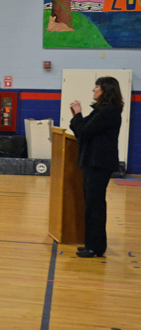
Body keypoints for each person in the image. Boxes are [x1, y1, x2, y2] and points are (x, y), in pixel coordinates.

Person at [69, 76, 123, 258]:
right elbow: (83, 130)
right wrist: (76, 116)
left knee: (95, 204)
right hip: (94, 161)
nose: (94, 90)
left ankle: (95, 247)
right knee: (92, 204)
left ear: (105, 91)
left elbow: (84, 131)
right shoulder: (101, 110)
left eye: (97, 87)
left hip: (99, 163)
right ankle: (92, 244)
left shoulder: (108, 111)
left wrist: (77, 114)